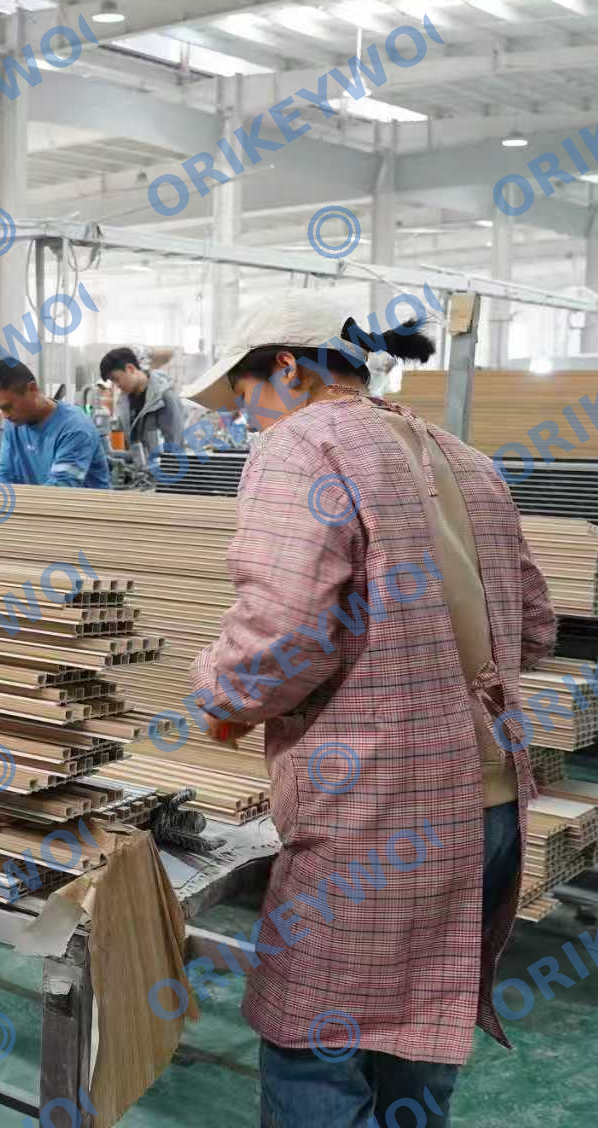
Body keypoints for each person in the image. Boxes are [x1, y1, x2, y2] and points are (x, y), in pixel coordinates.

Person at [178, 290, 555, 1128]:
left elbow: (283, 631)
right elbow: (532, 627)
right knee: (417, 1033)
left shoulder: (300, 445)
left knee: (317, 1042)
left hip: (377, 812)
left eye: (243, 395)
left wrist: (220, 698)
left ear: (286, 368)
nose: (243, 419)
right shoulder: (464, 457)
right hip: (493, 805)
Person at [0, 358, 110, 489]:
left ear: (32, 389)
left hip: (76, 502)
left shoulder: (75, 428)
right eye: (0, 409)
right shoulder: (13, 424)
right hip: (41, 500)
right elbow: (5, 475)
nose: (5, 415)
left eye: (8, 406)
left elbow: (61, 489)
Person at [99, 347, 186, 455]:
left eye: (116, 379)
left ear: (130, 369)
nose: (117, 385)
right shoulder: (124, 401)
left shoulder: (164, 399)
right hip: (137, 465)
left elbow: (175, 447)